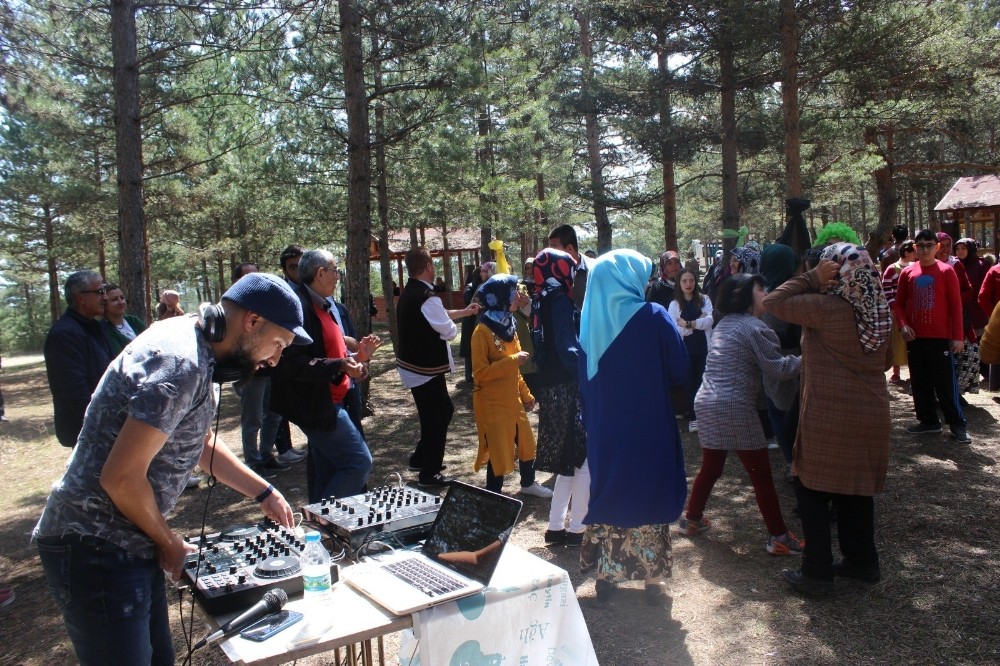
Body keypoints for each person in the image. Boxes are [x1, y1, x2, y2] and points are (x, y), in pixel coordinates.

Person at [33, 272, 310, 665]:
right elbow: (121, 477)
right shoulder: (180, 363)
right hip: (95, 544)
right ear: (251, 322)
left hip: (126, 538)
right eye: (278, 343)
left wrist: (263, 491)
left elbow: (199, 441)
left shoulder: (198, 345)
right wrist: (170, 542)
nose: (274, 359)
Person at [765, 242, 894, 595]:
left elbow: (771, 302)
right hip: (871, 413)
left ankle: (817, 571)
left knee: (811, 490)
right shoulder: (880, 310)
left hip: (830, 415)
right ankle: (862, 562)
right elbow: (886, 363)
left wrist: (810, 277)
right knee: (856, 490)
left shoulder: (827, 307)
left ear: (835, 270)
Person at [577, 249, 689, 605]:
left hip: (605, 426)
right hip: (648, 423)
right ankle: (652, 578)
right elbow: (680, 372)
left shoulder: (588, 323)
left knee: (610, 490)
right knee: (648, 490)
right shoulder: (654, 316)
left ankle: (606, 575)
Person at [679, 272, 804, 556]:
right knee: (761, 474)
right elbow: (778, 369)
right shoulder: (756, 328)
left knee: (711, 466)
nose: (767, 292)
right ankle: (779, 537)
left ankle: (691, 520)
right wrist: (808, 359)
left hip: (706, 401)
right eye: (762, 288)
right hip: (733, 405)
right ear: (747, 295)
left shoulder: (725, 325)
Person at [270, 250, 381, 501]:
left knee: (327, 470)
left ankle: (322, 535)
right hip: (318, 405)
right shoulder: (300, 308)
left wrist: (356, 360)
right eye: (335, 271)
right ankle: (325, 526)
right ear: (320, 273)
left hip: (331, 400)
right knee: (358, 462)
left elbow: (329, 352)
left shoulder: (323, 304)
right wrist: (341, 365)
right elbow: (293, 364)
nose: (338, 277)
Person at [396, 247, 480, 487]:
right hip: (423, 370)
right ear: (429, 267)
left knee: (440, 412)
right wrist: (453, 328)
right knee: (437, 417)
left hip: (415, 367)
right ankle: (429, 473)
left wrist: (465, 311)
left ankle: (421, 458)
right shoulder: (426, 296)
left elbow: (440, 314)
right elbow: (447, 329)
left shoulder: (412, 292)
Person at [470, 273, 550, 498]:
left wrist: (526, 394)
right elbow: (480, 374)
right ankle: (494, 494)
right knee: (499, 449)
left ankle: (528, 483)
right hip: (492, 403)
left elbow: (514, 372)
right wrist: (513, 360)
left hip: (512, 399)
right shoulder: (481, 333)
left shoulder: (509, 325)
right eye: (513, 292)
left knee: (526, 442)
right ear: (500, 297)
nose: (518, 297)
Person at [531, 249, 588, 545]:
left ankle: (556, 526)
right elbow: (568, 346)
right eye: (572, 268)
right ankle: (577, 527)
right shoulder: (560, 299)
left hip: (551, 384)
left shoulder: (542, 296)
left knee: (570, 458)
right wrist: (588, 370)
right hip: (567, 385)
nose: (574, 273)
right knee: (581, 458)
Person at [894, 229, 970, 443]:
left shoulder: (947, 271)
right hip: (915, 337)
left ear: (937, 247)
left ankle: (957, 424)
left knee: (945, 382)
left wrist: (957, 336)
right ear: (915, 249)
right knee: (919, 381)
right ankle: (928, 421)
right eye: (921, 246)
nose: (925, 249)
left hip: (940, 337)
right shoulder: (908, 273)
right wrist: (902, 325)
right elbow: (899, 305)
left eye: (929, 245)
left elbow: (956, 306)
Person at [44, 270, 113, 448]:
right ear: (80, 297)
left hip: (106, 426)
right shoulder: (65, 333)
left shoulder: (95, 327)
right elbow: (74, 391)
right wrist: (100, 427)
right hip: (90, 432)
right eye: (99, 292)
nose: (105, 297)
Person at [759, 243, 802, 468]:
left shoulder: (764, 295)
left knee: (779, 412)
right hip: (798, 362)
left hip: (777, 362)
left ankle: (791, 461)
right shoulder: (798, 290)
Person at [667, 268, 713, 433]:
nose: (688, 284)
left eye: (691, 280)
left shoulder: (704, 299)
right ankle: (694, 417)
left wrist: (686, 323)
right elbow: (675, 330)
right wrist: (694, 324)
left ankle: (706, 417)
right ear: (679, 283)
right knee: (691, 383)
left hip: (703, 348)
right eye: (684, 281)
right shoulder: (674, 305)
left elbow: (709, 321)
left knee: (705, 382)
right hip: (685, 350)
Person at [881, 240, 916, 383]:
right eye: (914, 251)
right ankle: (896, 373)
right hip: (896, 312)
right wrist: (894, 306)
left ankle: (913, 371)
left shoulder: (916, 267)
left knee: (912, 342)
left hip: (913, 311)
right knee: (897, 341)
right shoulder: (891, 269)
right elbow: (886, 289)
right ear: (907, 252)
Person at [548, 224, 589, 309]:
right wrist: (526, 304)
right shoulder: (548, 273)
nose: (549, 252)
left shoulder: (594, 270)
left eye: (553, 247)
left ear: (569, 248)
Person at [101, 283, 147, 357]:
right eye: (114, 300)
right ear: (104, 305)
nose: (120, 302)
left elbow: (151, 341)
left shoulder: (133, 320)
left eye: (122, 298)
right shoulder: (104, 328)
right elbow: (120, 355)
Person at [460, 264, 485, 383]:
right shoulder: (470, 287)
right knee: (469, 349)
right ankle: (468, 375)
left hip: (477, 320)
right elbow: (468, 301)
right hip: (470, 320)